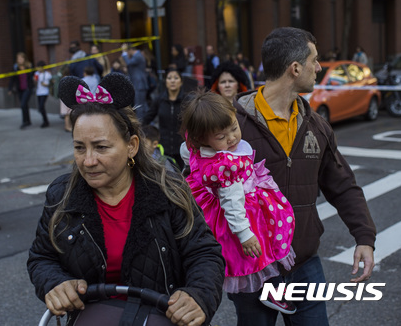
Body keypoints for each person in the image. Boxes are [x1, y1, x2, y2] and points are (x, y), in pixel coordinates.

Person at [27, 73, 225, 326]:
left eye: (101, 147)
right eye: (79, 147)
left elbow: (204, 253)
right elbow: (42, 257)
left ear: (131, 145)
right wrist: (55, 283)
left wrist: (198, 295)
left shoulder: (169, 190)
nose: (88, 161)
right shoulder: (61, 195)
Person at [233, 27, 376, 325]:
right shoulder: (232, 127)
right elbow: (198, 190)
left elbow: (343, 186)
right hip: (254, 268)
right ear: (295, 68)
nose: (319, 67)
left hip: (305, 263)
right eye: (315, 59)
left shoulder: (317, 126)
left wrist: (364, 237)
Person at [179, 90, 297, 316]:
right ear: (202, 138)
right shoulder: (226, 166)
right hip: (243, 212)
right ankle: (271, 291)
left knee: (258, 252)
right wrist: (245, 233)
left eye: (234, 128)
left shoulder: (192, 147)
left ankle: (269, 289)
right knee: (262, 248)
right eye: (221, 136)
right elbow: (232, 202)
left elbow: (186, 153)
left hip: (220, 210)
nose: (232, 138)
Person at [142, 68, 186, 169]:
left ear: (181, 81)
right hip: (163, 147)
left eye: (176, 78)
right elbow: (148, 117)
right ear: (165, 81)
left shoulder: (186, 100)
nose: (173, 81)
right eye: (169, 78)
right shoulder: (159, 99)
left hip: (182, 147)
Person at [122, 44, 149, 119]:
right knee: (143, 104)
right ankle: (147, 121)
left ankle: (141, 123)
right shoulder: (138, 55)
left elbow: (128, 62)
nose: (127, 54)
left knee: (139, 105)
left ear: (130, 50)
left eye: (127, 52)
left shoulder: (137, 56)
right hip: (138, 83)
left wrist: (124, 53)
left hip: (139, 84)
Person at [8, 52, 35, 129]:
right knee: (24, 105)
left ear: (24, 58)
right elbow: (12, 79)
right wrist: (10, 89)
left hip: (27, 88)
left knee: (23, 104)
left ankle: (24, 122)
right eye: (18, 58)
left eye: (21, 58)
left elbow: (33, 75)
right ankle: (28, 120)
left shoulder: (29, 66)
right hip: (20, 89)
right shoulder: (15, 67)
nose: (20, 60)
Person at [33, 61, 52, 128]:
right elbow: (35, 81)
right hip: (38, 92)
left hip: (44, 92)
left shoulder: (47, 74)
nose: (38, 69)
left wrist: (45, 84)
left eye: (40, 67)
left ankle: (45, 121)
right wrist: (35, 79)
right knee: (41, 108)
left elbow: (51, 83)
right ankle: (45, 121)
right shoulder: (36, 73)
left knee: (41, 106)